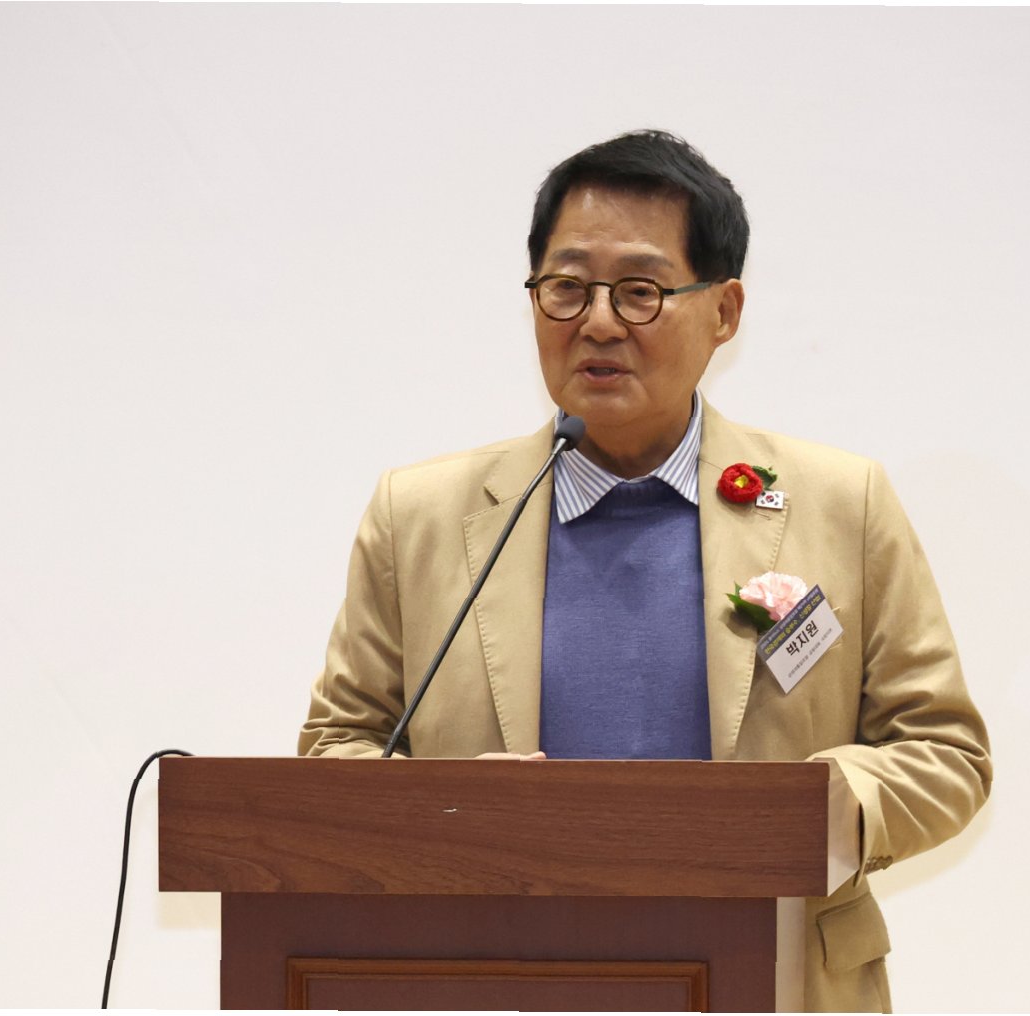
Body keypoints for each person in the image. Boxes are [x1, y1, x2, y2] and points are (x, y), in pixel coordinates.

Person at [299, 129, 992, 1013]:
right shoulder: (422, 516)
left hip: (772, 980)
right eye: (567, 287)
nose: (597, 323)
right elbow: (337, 750)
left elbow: (944, 750)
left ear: (724, 311)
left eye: (640, 291)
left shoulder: (839, 503)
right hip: (497, 980)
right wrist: (455, 808)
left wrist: (822, 809)